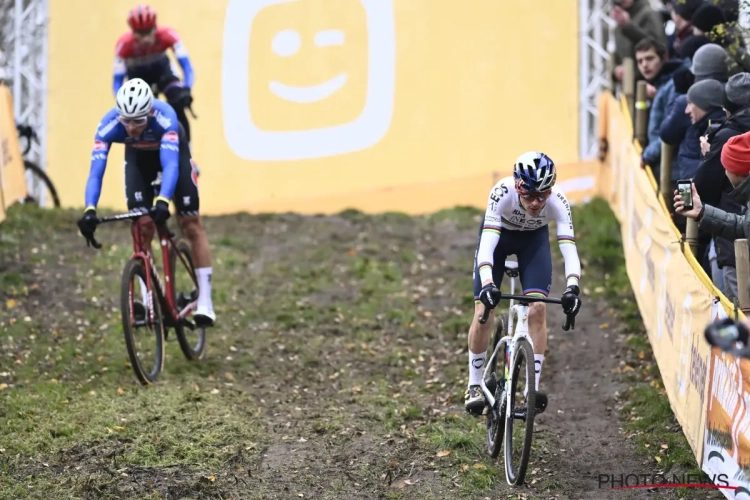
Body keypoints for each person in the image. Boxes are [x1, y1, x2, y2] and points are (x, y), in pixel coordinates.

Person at [76, 78, 215, 327]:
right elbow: (96, 172)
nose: (130, 128)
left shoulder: (165, 118)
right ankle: (147, 298)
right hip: (139, 161)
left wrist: (163, 200)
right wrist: (89, 210)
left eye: (138, 121)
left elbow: (171, 165)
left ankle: (205, 299)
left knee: (191, 223)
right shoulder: (108, 125)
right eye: (126, 121)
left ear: (149, 112)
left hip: (174, 157)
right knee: (142, 226)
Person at [464, 152, 583, 415]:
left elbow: (569, 251)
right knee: (485, 311)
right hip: (499, 239)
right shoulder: (501, 193)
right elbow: (487, 248)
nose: (536, 202)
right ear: (518, 186)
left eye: (543, 195)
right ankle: (474, 384)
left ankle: (532, 388)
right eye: (529, 195)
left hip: (533, 242)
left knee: (538, 308)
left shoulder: (558, 202)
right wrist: (487, 285)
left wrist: (572, 288)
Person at [113, 4, 195, 145]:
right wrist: (122, 103)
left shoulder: (168, 35)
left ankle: (188, 151)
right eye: (140, 33)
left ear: (155, 27)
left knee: (177, 101)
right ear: (133, 32)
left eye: (149, 31)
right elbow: (117, 81)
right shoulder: (124, 45)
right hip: (138, 79)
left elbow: (187, 67)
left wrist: (186, 89)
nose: (146, 38)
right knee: (137, 114)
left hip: (163, 73)